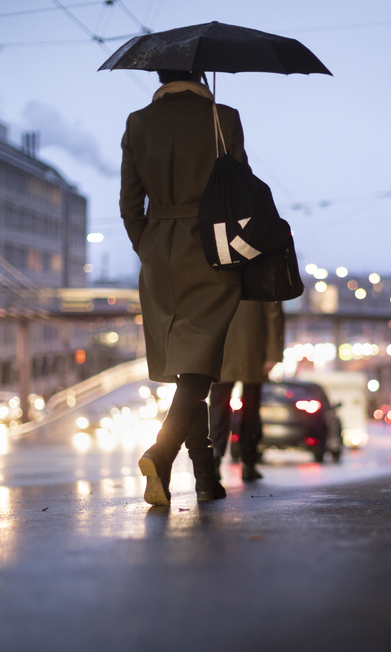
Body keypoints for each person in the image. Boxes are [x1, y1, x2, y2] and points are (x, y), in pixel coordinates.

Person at [119, 69, 247, 506]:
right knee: (200, 365)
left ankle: (207, 479)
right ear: (198, 74)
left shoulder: (138, 122)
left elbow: (128, 204)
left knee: (187, 365)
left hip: (158, 251)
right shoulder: (222, 118)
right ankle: (163, 451)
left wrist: (150, 245)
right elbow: (242, 193)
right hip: (212, 249)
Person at [209, 301, 285, 482]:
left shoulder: (218, 270)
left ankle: (214, 459)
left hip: (222, 347)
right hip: (253, 347)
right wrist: (273, 354)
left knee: (218, 407)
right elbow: (273, 312)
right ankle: (248, 463)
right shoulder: (263, 273)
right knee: (250, 409)